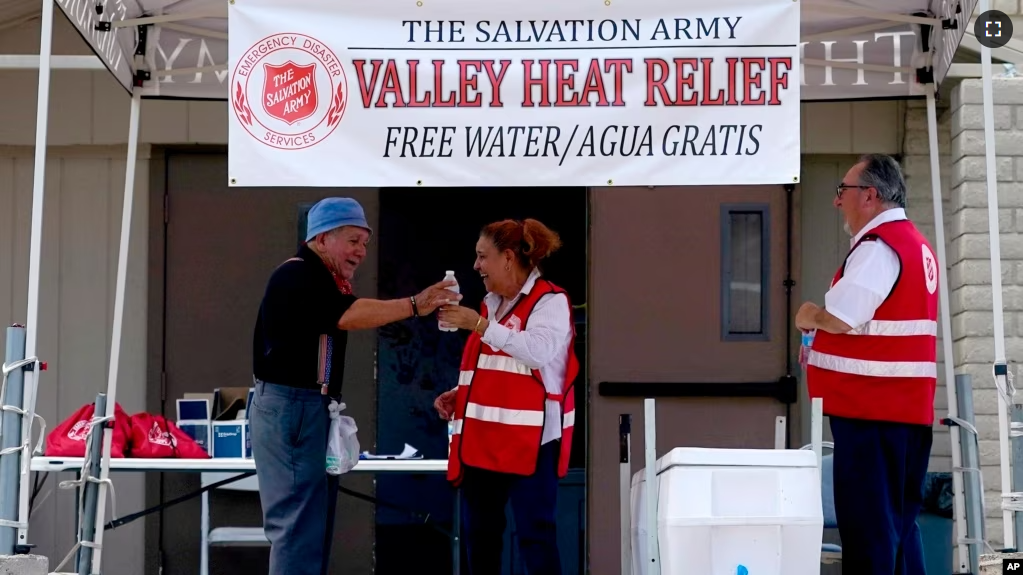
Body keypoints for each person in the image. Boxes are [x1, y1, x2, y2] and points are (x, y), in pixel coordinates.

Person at [249, 197, 460, 575]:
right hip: (291, 408)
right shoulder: (298, 274)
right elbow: (347, 315)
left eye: (364, 242)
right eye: (353, 241)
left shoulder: (325, 279)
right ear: (323, 237)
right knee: (297, 527)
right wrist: (415, 304)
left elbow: (345, 310)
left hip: (308, 408)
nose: (361, 252)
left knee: (312, 525)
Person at [796, 154, 938, 575]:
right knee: (899, 526)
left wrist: (809, 314)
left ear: (870, 195)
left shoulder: (880, 247)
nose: (838, 202)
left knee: (869, 532)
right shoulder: (915, 245)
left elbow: (843, 316)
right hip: (902, 411)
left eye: (843, 191)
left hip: (872, 411)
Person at [433, 218, 579, 575]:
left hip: (533, 442)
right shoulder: (491, 302)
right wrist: (460, 395)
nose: (476, 266)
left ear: (509, 258)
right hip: (485, 439)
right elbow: (496, 368)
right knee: (480, 537)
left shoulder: (550, 301)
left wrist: (480, 326)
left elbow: (537, 353)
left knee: (535, 536)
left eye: (483, 256)